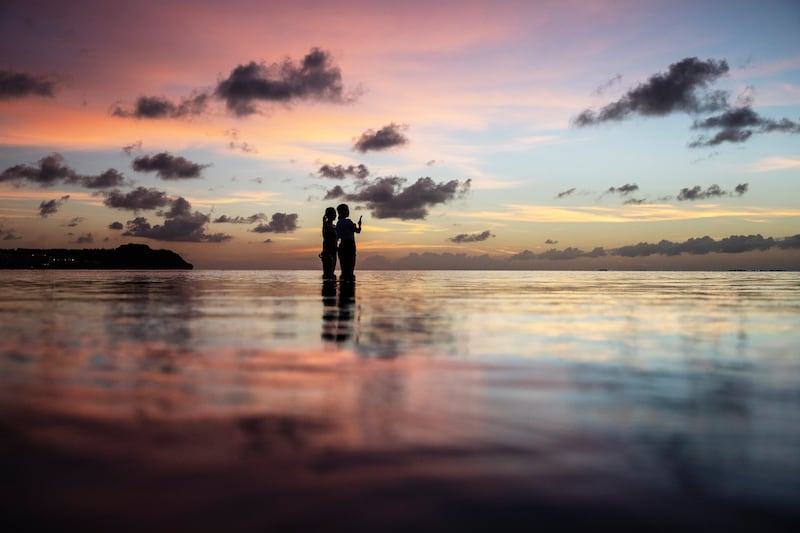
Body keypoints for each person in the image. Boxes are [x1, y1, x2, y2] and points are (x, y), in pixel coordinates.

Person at [335, 203, 361, 281]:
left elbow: (337, 237)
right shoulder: (348, 221)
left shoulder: (338, 223)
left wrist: (336, 247)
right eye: (347, 210)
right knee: (350, 270)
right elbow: (358, 231)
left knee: (344, 270)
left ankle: (342, 290)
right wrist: (359, 225)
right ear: (344, 212)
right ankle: (349, 290)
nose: (348, 211)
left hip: (342, 246)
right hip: (350, 246)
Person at [320, 207, 338, 280]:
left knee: (331, 273)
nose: (335, 215)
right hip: (328, 251)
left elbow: (337, 238)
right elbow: (325, 237)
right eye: (334, 214)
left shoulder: (334, 226)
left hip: (333, 251)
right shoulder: (326, 225)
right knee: (328, 274)